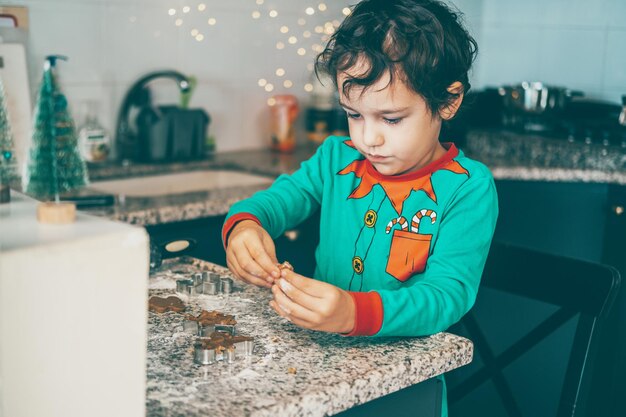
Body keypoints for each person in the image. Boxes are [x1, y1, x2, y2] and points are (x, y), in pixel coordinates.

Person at [222, 1, 497, 411]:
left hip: (403, 391)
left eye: (391, 119)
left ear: (448, 101)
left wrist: (354, 312)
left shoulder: (468, 188)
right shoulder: (337, 159)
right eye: (354, 114)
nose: (369, 139)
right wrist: (245, 226)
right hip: (315, 377)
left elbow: (447, 295)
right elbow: (277, 202)